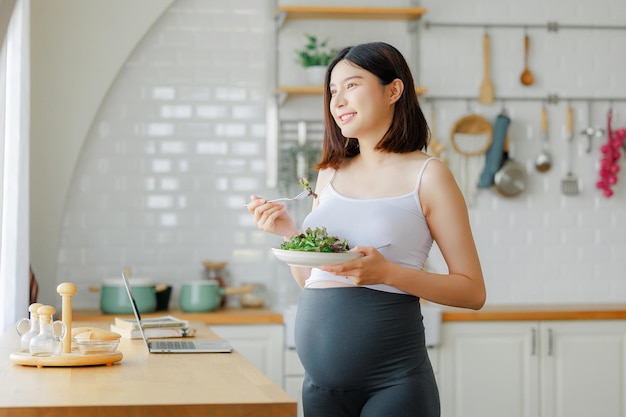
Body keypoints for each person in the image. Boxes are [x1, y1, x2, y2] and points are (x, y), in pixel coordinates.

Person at [247, 42, 485, 417]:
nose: (338, 100)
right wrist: (289, 233)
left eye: (352, 85)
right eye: (332, 91)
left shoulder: (428, 175)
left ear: (393, 90)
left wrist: (387, 273)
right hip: (320, 388)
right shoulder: (329, 173)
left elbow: (473, 291)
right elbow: (312, 280)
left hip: (395, 386)